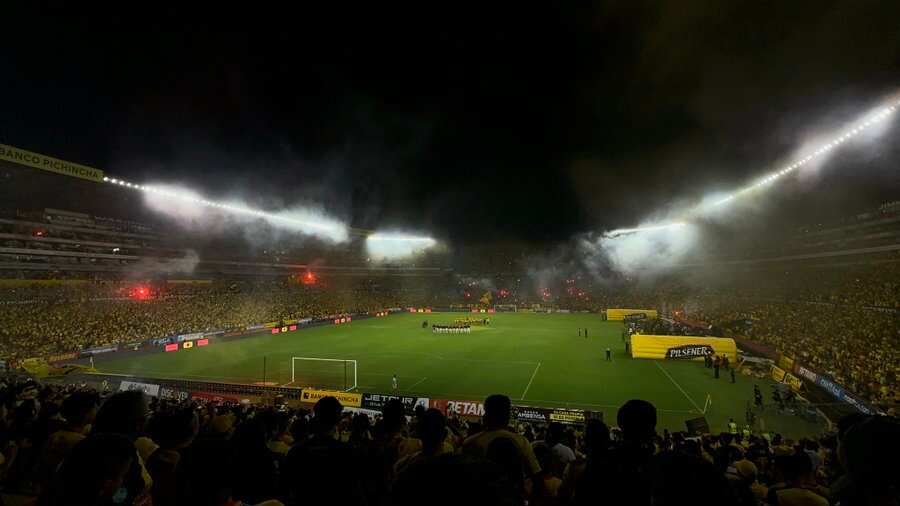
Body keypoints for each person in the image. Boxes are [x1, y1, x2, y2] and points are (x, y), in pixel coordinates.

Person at [283, 396, 366, 505]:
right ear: (338, 421)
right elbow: (355, 492)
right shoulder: (347, 452)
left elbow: (285, 489)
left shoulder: (297, 451)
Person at [462, 394, 543, 497]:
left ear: (485, 415)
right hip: (512, 497)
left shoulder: (470, 442)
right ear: (507, 416)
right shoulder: (521, 442)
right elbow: (537, 477)